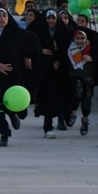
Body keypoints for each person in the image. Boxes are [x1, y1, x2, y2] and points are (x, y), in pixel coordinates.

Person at [0, 8, 40, 146]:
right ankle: (4, 134)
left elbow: (33, 40)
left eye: (4, 15)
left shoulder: (17, 34)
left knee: (11, 103)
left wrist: (28, 56)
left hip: (13, 75)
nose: (2, 18)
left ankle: (13, 113)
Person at [32, 10, 71, 138]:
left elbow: (67, 50)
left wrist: (59, 61)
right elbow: (30, 45)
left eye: (53, 18)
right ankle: (47, 126)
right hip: (43, 71)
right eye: (48, 18)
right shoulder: (39, 32)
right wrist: (40, 50)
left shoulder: (62, 32)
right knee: (47, 97)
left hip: (58, 72)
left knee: (56, 97)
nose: (51, 21)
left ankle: (55, 123)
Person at [67, 26, 98, 135]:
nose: (79, 41)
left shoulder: (92, 48)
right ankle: (73, 113)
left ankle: (85, 120)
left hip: (89, 78)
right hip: (75, 76)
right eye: (77, 38)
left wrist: (92, 59)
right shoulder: (70, 48)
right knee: (76, 94)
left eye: (82, 38)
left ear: (86, 39)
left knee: (86, 100)